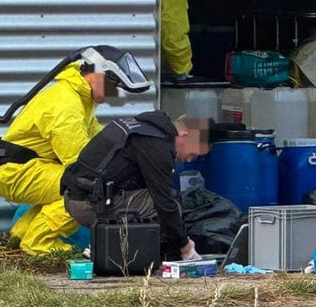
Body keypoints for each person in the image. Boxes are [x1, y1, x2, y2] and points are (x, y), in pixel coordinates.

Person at [0, 47, 151, 256]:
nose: (115, 91)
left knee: (80, 184)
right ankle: (38, 242)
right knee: (82, 188)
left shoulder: (81, 99)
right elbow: (79, 162)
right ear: (96, 75)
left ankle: (21, 234)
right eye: (112, 84)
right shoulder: (65, 103)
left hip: (30, 167)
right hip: (18, 173)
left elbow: (98, 142)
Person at [62, 111, 210, 261]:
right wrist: (186, 246)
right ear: (184, 136)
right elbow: (164, 202)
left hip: (76, 194)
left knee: (160, 203)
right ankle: (137, 258)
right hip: (87, 205)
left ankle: (111, 249)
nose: (190, 160)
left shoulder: (142, 126)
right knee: (166, 206)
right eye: (193, 153)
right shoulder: (156, 146)